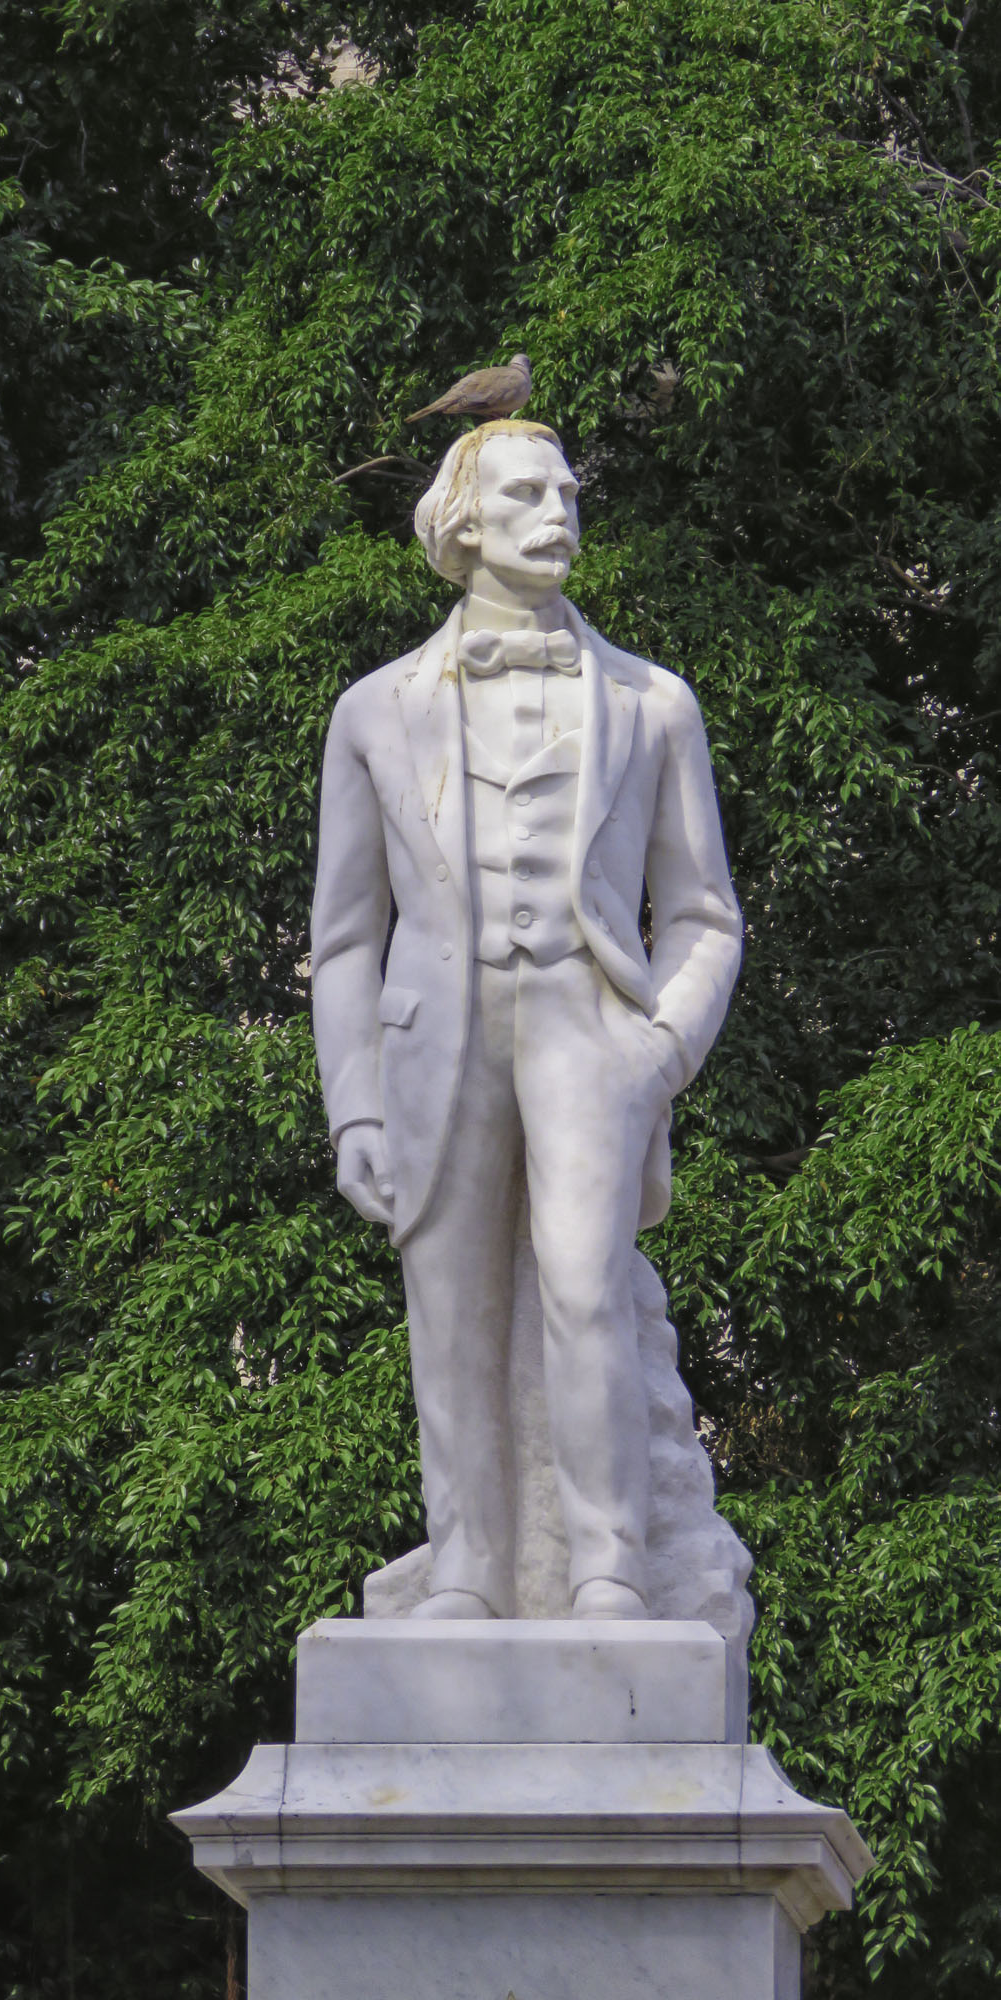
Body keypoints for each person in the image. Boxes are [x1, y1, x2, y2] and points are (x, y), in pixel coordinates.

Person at [311, 419, 741, 1619]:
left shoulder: (654, 702)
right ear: (463, 521)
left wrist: (661, 1050)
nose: (559, 513)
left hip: (588, 1029)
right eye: (526, 493)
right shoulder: (374, 709)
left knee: (587, 1290)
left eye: (567, 491)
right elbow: (343, 938)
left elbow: (704, 913)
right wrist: (354, 1107)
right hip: (431, 1042)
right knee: (448, 1311)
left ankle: (609, 1565)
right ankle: (466, 1570)